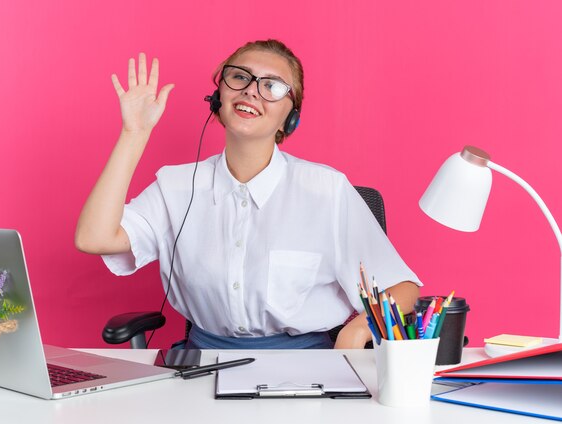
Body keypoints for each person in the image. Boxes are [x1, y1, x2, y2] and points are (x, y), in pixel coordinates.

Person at [75, 39, 421, 349]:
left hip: (305, 368)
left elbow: (403, 287)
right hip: (202, 365)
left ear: (291, 117)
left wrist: (358, 330)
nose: (251, 91)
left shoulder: (326, 190)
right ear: (218, 97)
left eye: (272, 86)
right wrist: (134, 133)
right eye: (240, 77)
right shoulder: (176, 186)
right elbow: (95, 238)